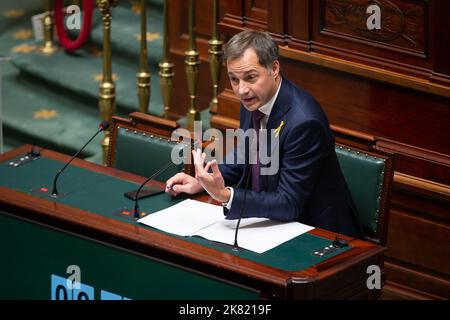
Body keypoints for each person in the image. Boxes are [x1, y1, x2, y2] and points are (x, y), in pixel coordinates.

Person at [166, 30, 363, 238]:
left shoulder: (304, 123)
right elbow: (243, 157)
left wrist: (225, 195)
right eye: (234, 79)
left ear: (274, 68)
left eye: (250, 77)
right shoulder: (253, 100)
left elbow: (289, 203)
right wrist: (203, 182)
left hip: (320, 233)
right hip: (272, 223)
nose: (241, 90)